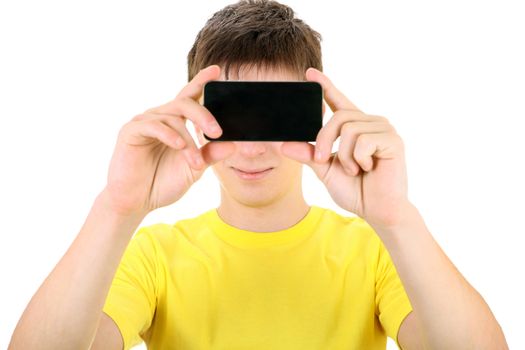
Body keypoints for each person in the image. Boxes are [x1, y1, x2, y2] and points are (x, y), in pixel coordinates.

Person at [9, 0, 508, 349]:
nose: (252, 146)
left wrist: (397, 217)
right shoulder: (154, 254)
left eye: (275, 115)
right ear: (198, 116)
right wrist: (116, 208)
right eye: (233, 116)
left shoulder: (375, 250)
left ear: (313, 116)